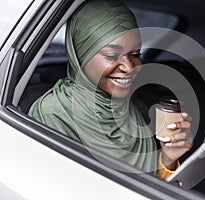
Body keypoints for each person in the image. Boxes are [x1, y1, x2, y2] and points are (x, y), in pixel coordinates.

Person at [28, 0, 193, 179]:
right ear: (80, 55)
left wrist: (168, 158)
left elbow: (152, 183)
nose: (129, 68)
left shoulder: (134, 107)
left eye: (135, 55)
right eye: (111, 55)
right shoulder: (52, 115)